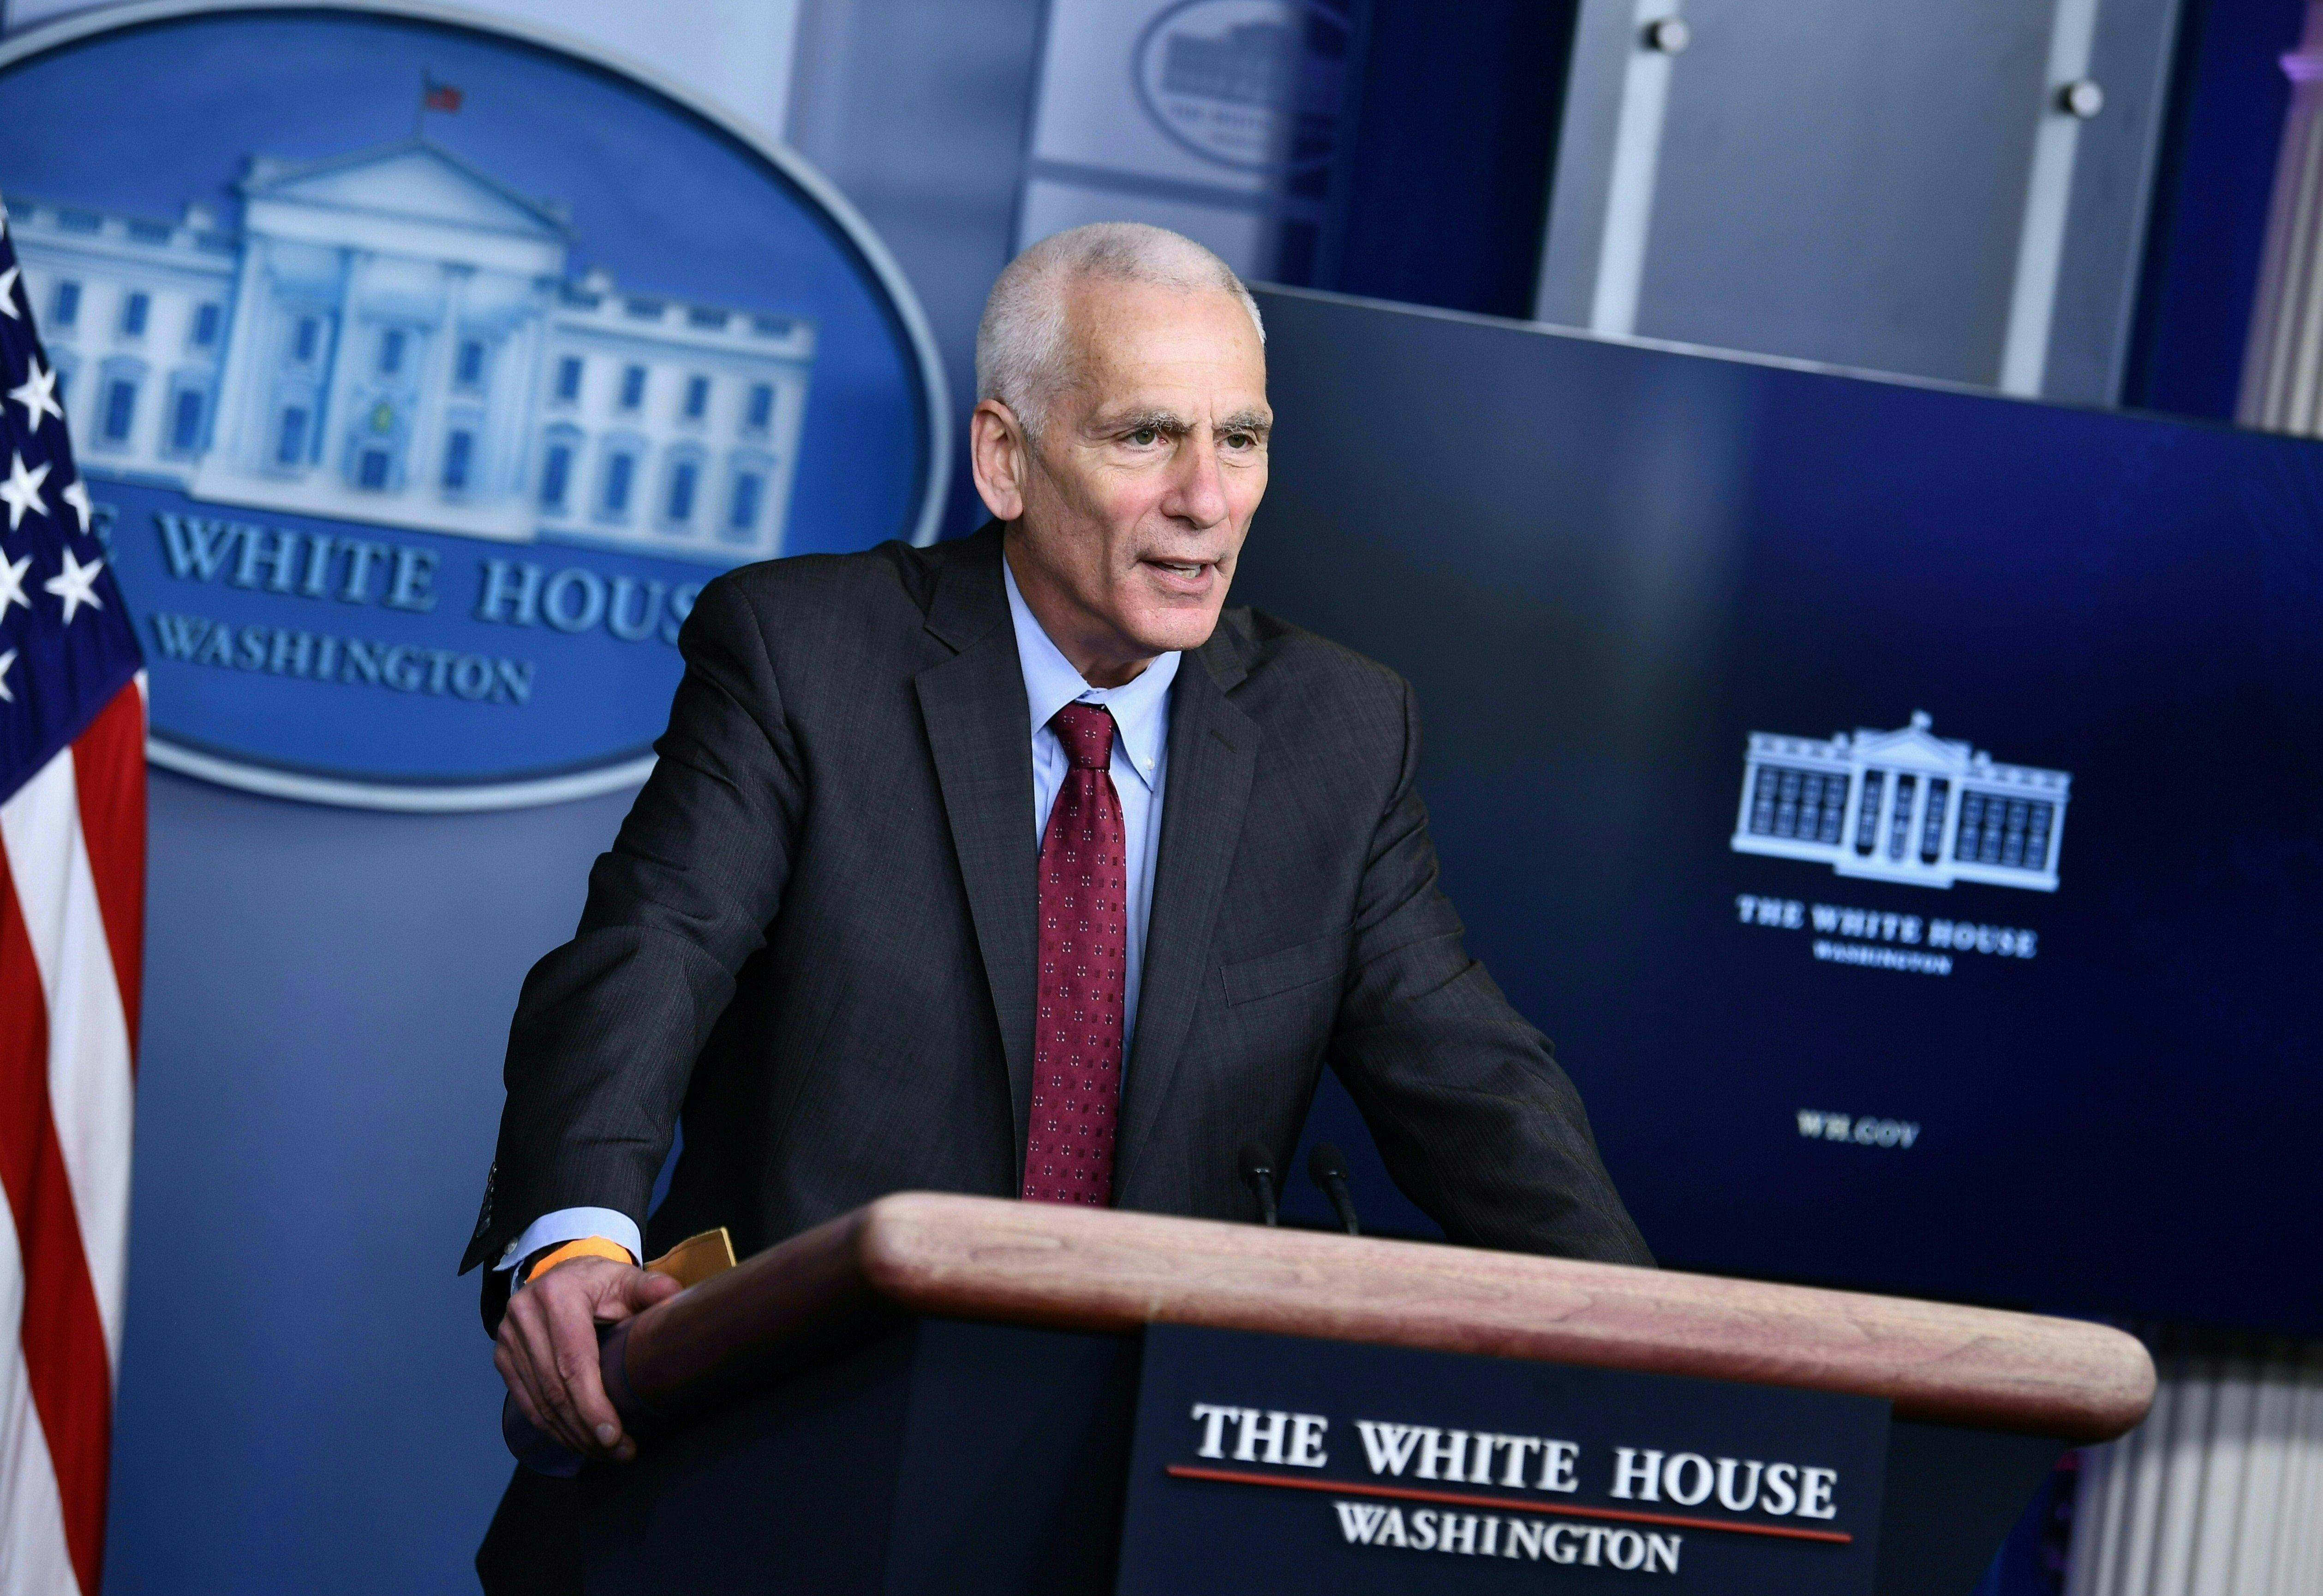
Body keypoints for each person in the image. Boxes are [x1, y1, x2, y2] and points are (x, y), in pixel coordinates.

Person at [461, 221, 1649, 1538]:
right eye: (1146, 436)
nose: (1207, 497)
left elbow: (1476, 1084)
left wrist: (1659, 1350)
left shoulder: (1340, 729)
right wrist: (577, 1238)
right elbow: (652, 952)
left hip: (1131, 1500)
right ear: (1004, 458)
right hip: (779, 1460)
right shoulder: (803, 654)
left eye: (1240, 439)